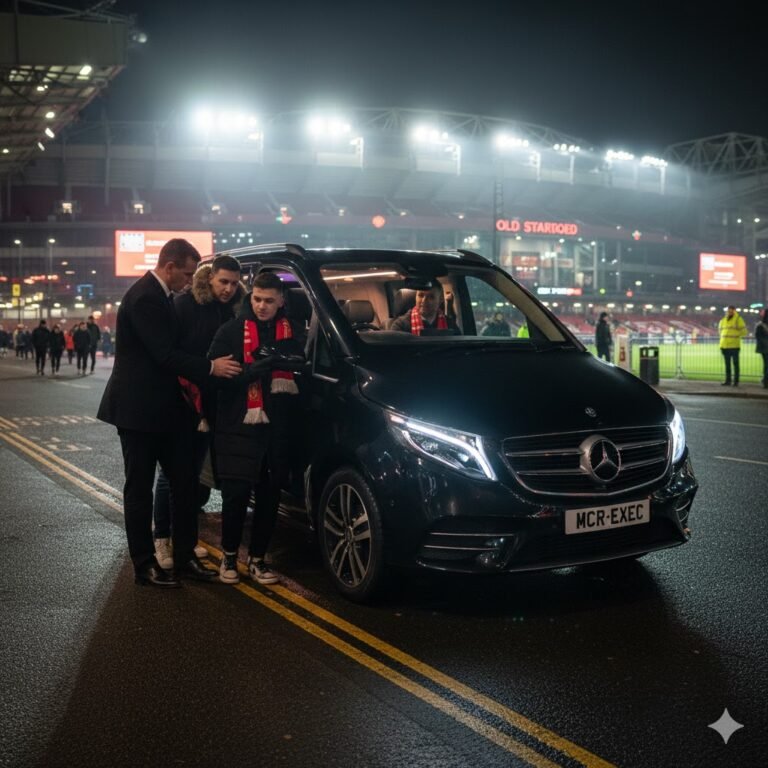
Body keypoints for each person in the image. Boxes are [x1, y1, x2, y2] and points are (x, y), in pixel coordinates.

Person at [96, 238, 242, 588]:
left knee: (184, 483)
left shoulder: (161, 296)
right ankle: (145, 563)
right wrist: (210, 367)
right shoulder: (146, 297)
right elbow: (164, 354)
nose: (192, 281)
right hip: (138, 411)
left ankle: (185, 555)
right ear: (170, 266)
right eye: (189, 274)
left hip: (166, 410)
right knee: (140, 489)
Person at [208, 272, 305, 585]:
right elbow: (214, 378)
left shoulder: (292, 332)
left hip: (277, 429)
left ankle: (259, 560)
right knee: (235, 497)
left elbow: (303, 370)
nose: (262, 306)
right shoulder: (231, 331)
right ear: (251, 299)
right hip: (238, 425)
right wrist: (252, 371)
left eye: (269, 301)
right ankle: (229, 557)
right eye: (257, 299)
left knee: (269, 498)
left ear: (280, 302)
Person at [152, 255, 244, 569]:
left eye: (234, 283)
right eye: (223, 282)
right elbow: (169, 353)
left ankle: (184, 541)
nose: (229, 289)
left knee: (191, 477)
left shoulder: (235, 308)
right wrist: (207, 370)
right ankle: (161, 539)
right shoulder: (185, 305)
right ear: (209, 278)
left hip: (213, 403)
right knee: (171, 474)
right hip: (182, 399)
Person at [390, 282, 460, 335]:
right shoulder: (400, 325)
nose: (424, 300)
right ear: (415, 297)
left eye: (431, 297)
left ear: (440, 300)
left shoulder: (450, 325)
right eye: (420, 295)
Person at [718, 305, 747, 386]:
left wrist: (735, 335)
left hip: (734, 346)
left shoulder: (738, 319)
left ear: (734, 311)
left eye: (731, 311)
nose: (729, 312)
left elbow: (744, 332)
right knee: (727, 365)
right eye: (728, 311)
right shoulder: (723, 320)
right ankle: (728, 381)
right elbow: (720, 332)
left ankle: (736, 382)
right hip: (724, 346)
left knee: (735, 365)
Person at [755, 308, 768, 389]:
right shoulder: (761, 325)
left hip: (763, 348)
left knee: (766, 365)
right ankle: (765, 381)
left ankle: (765, 381)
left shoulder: (760, 325)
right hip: (765, 348)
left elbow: (758, 337)